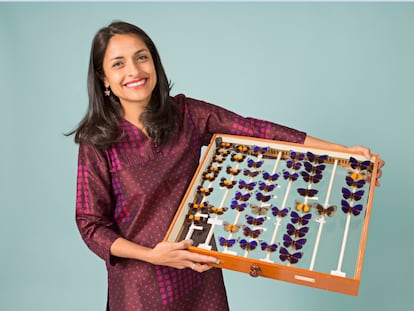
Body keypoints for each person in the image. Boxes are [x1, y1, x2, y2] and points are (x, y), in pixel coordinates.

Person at [70, 21, 384, 311]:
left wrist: (343, 153)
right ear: (103, 77)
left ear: (154, 61)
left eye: (142, 57)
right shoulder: (97, 141)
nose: (134, 70)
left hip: (200, 272)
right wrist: (153, 255)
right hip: (140, 286)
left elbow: (256, 130)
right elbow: (91, 225)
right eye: (118, 63)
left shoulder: (187, 114)